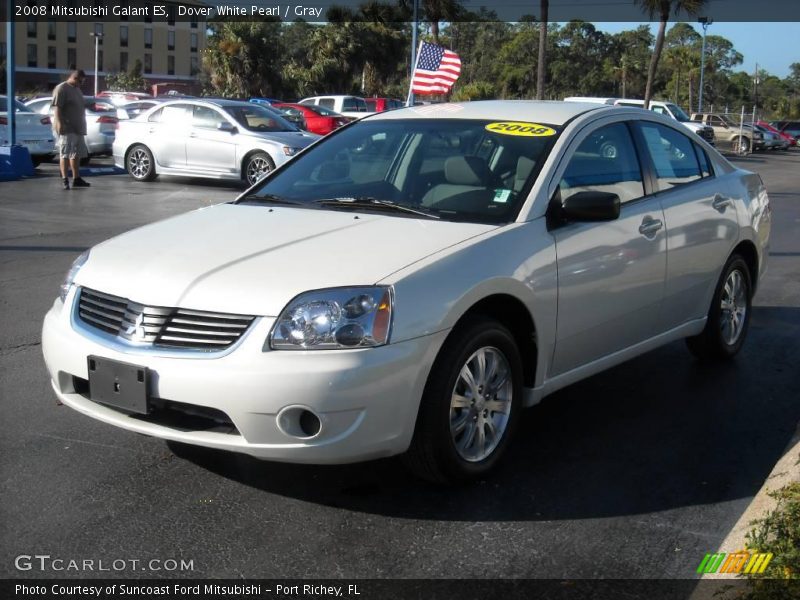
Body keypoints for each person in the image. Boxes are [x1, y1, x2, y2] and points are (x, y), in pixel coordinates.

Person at [52, 69, 91, 190]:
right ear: (74, 78)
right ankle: (65, 179)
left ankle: (76, 178)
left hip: (78, 128)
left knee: (76, 154)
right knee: (65, 153)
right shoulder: (62, 88)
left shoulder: (77, 90)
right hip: (67, 128)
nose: (81, 84)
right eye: (80, 81)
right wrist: (60, 123)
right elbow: (57, 108)